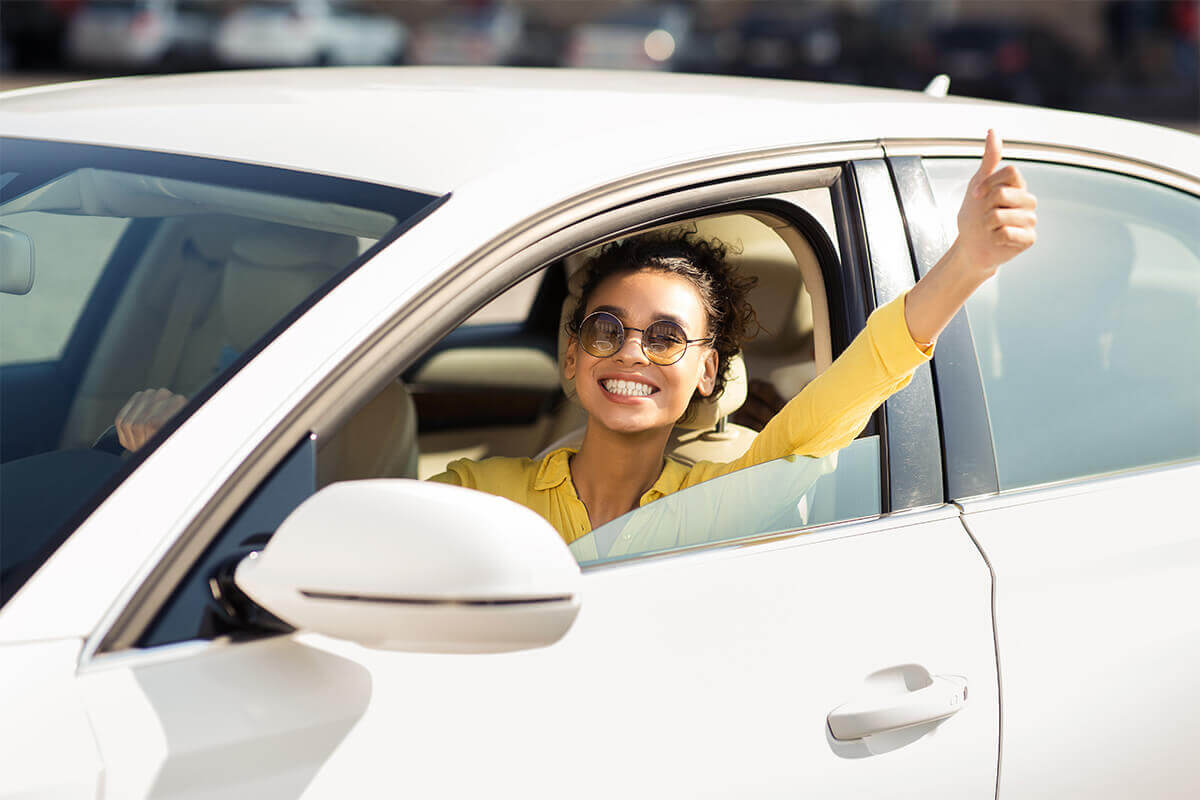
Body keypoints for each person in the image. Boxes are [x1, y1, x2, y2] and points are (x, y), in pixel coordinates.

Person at [116, 131, 1037, 545]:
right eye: (607, 328)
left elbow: (854, 383)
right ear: (571, 357)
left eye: (667, 339)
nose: (631, 352)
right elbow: (350, 530)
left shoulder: (744, 486)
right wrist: (192, 450)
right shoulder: (486, 490)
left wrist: (964, 264)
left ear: (709, 370)